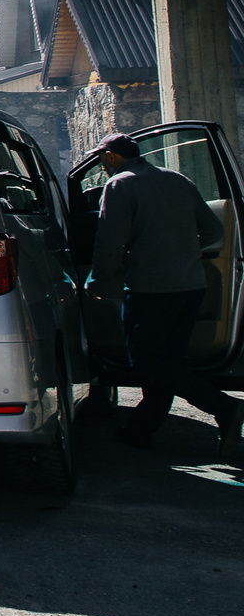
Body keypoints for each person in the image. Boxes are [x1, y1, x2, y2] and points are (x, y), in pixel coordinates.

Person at [88, 133, 243, 460]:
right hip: (190, 287)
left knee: (148, 362)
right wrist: (181, 252)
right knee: (167, 363)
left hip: (150, 289)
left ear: (112, 157)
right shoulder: (178, 179)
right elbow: (214, 232)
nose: (103, 165)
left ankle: (226, 408)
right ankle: (140, 430)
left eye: (102, 159)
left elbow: (110, 243)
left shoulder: (119, 186)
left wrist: (97, 282)